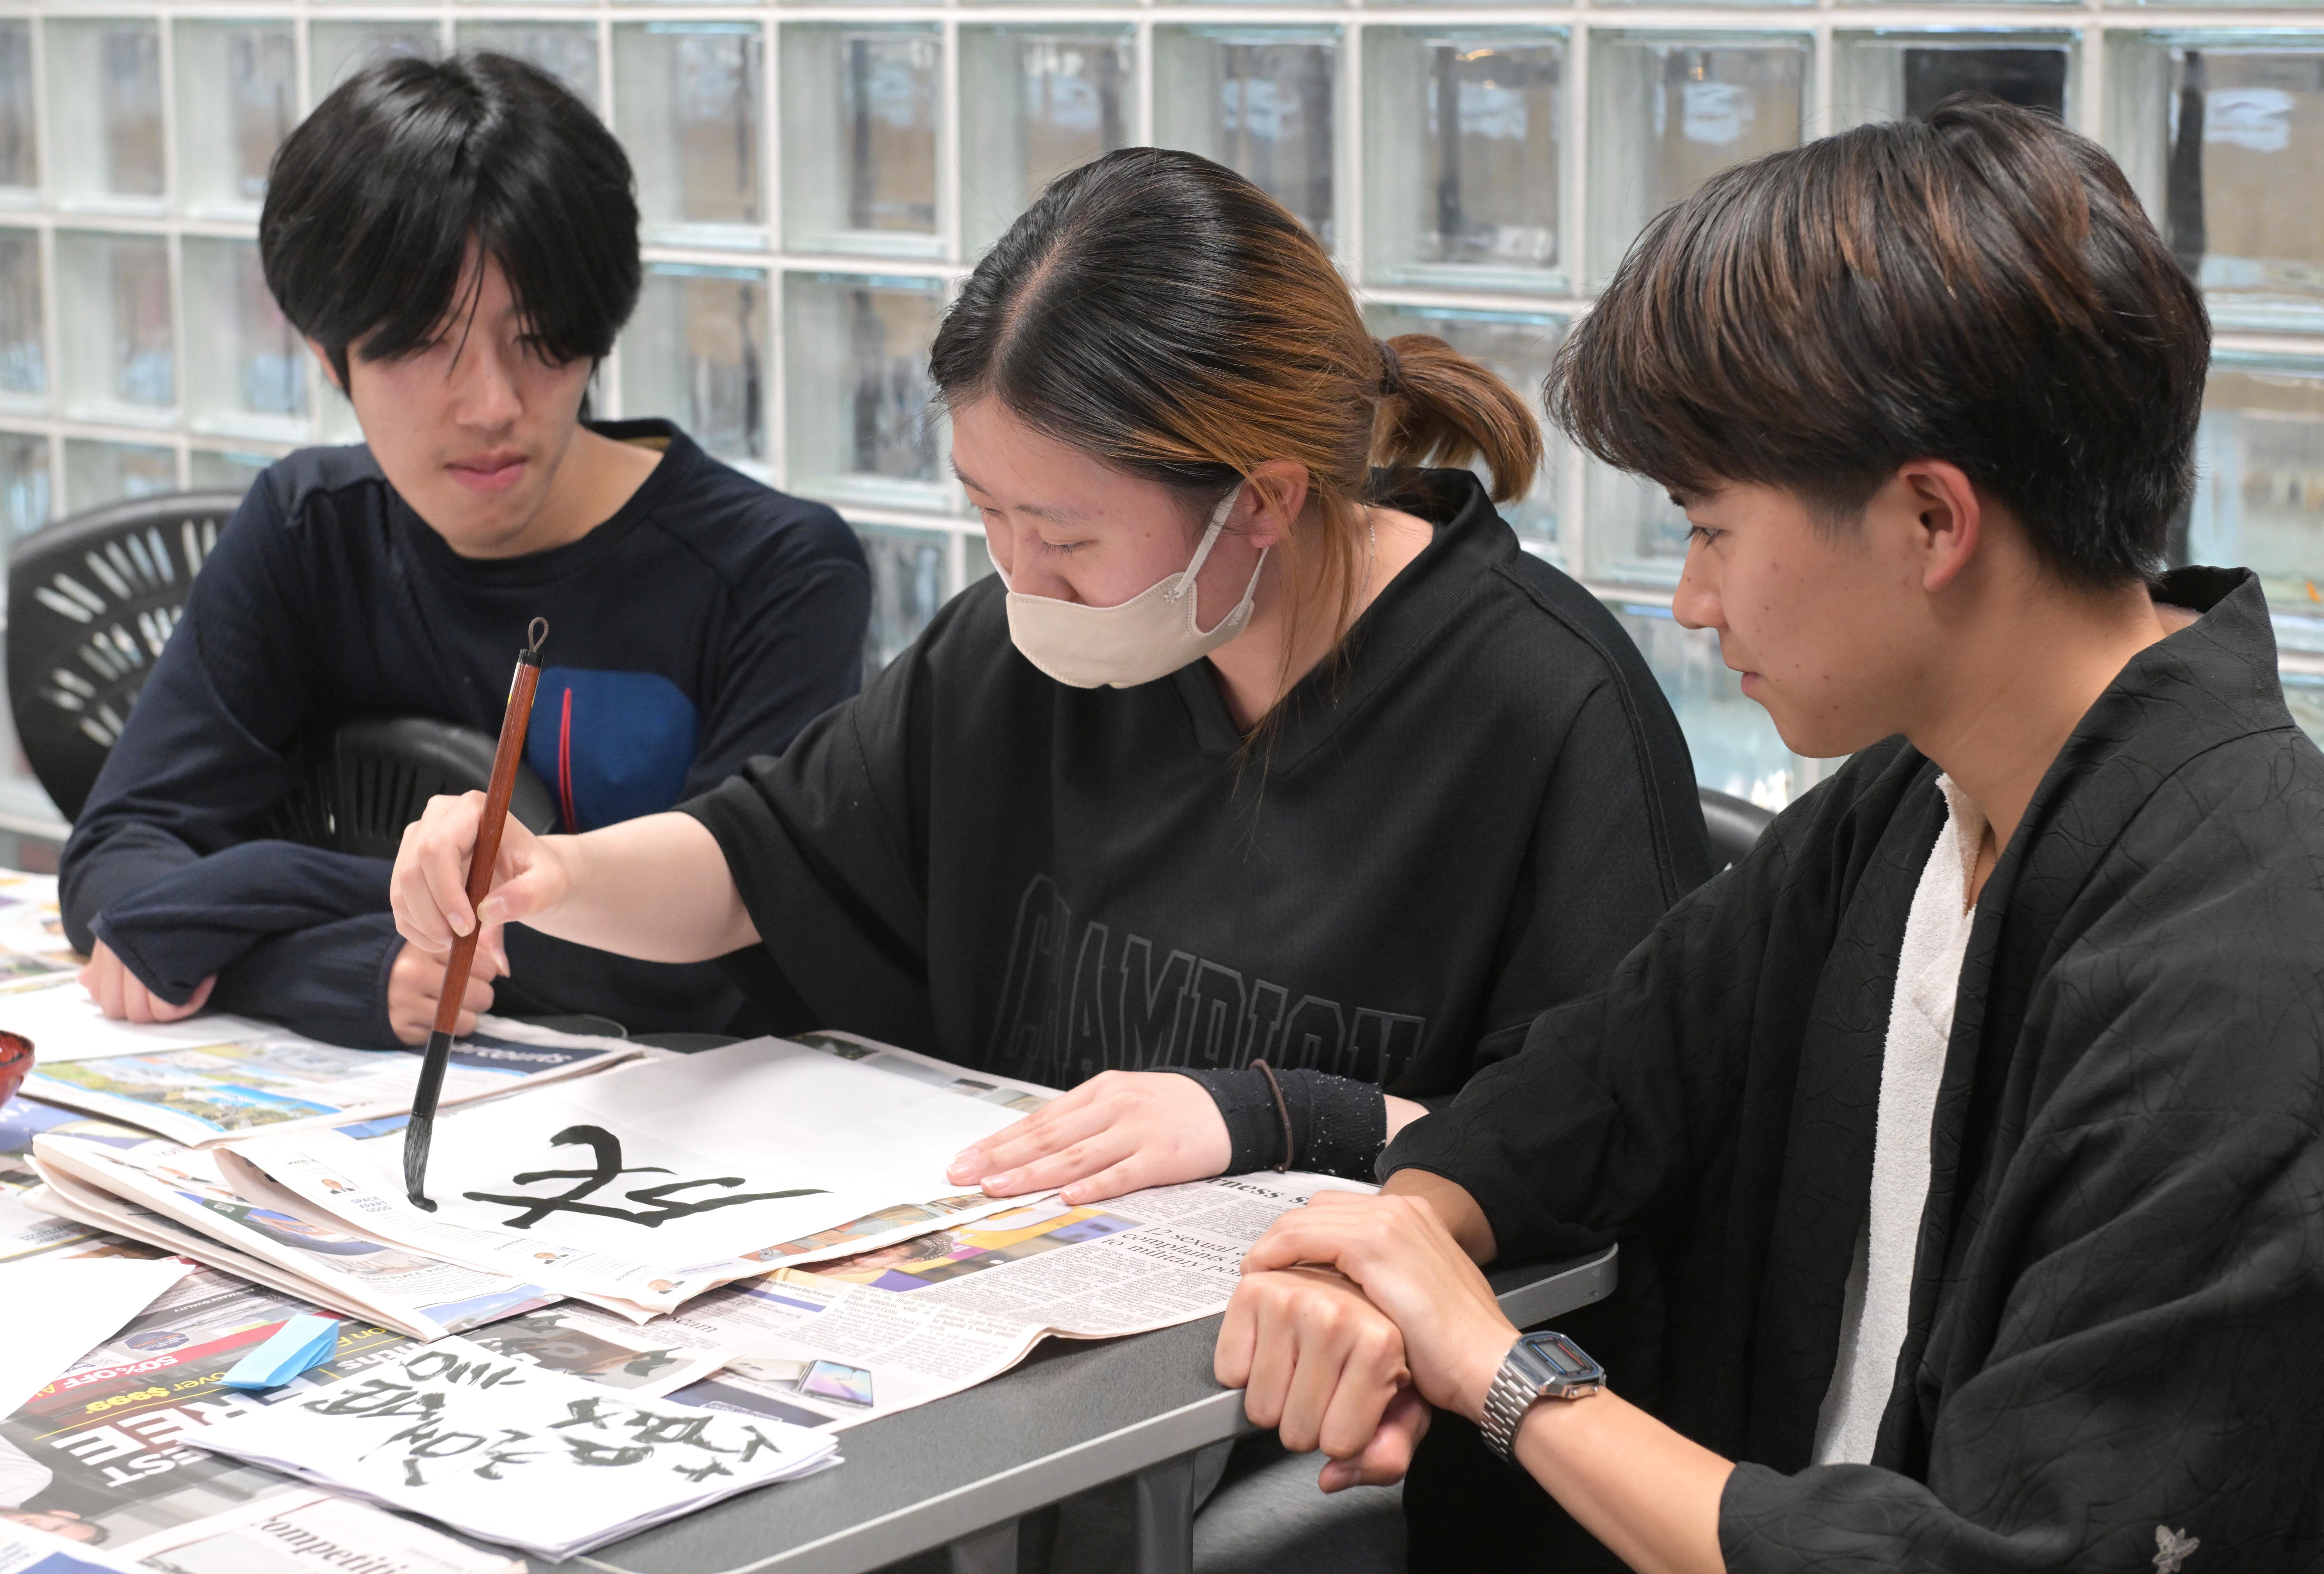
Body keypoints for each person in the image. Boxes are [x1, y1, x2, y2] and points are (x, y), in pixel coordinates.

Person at [1214, 96, 2324, 1572]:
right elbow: (1598, 1076)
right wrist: (1388, 1247)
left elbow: (2007, 1552)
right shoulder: (1916, 798)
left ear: (1933, 522)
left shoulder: (2242, 964)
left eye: (1708, 526)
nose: (1689, 600)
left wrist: (1500, 1374)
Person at [389, 145, 1713, 1211]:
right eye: (989, 515)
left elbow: (1603, 1160)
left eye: (1067, 538)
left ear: (1259, 500)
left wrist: (1271, 1117)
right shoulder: (1014, 657)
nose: (1023, 578)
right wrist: (554, 874)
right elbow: (764, 863)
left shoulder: (1544, 713)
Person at [60, 53, 869, 1051]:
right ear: (329, 357)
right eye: (421, 345)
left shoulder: (778, 573)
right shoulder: (313, 528)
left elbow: (709, 961)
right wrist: (350, 970)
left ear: (599, 335)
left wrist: (248, 891)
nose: (491, 405)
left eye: (540, 341)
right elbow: (119, 876)